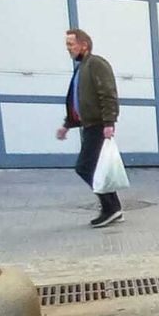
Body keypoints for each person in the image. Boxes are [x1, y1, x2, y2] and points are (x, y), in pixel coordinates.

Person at [55, 28, 123, 227]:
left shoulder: (96, 64)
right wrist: (67, 125)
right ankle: (113, 207)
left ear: (84, 45)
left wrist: (109, 123)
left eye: (71, 44)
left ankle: (111, 208)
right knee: (95, 168)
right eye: (67, 44)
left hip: (98, 125)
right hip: (90, 125)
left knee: (86, 167)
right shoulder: (81, 68)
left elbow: (108, 94)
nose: (68, 48)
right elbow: (77, 100)